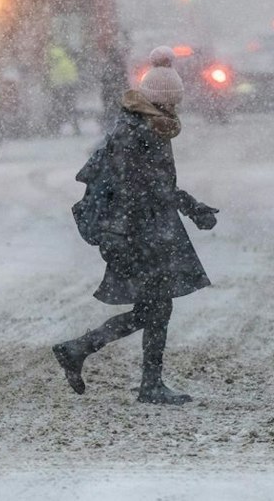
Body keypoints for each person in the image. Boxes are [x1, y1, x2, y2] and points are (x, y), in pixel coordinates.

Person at [54, 59, 218, 404]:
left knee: (153, 309)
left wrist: (189, 207)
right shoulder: (142, 132)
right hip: (134, 233)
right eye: (173, 101)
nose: (176, 107)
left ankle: (81, 350)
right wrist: (193, 208)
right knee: (157, 308)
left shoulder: (141, 125)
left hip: (137, 230)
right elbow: (152, 189)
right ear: (161, 99)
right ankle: (145, 382)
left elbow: (153, 186)